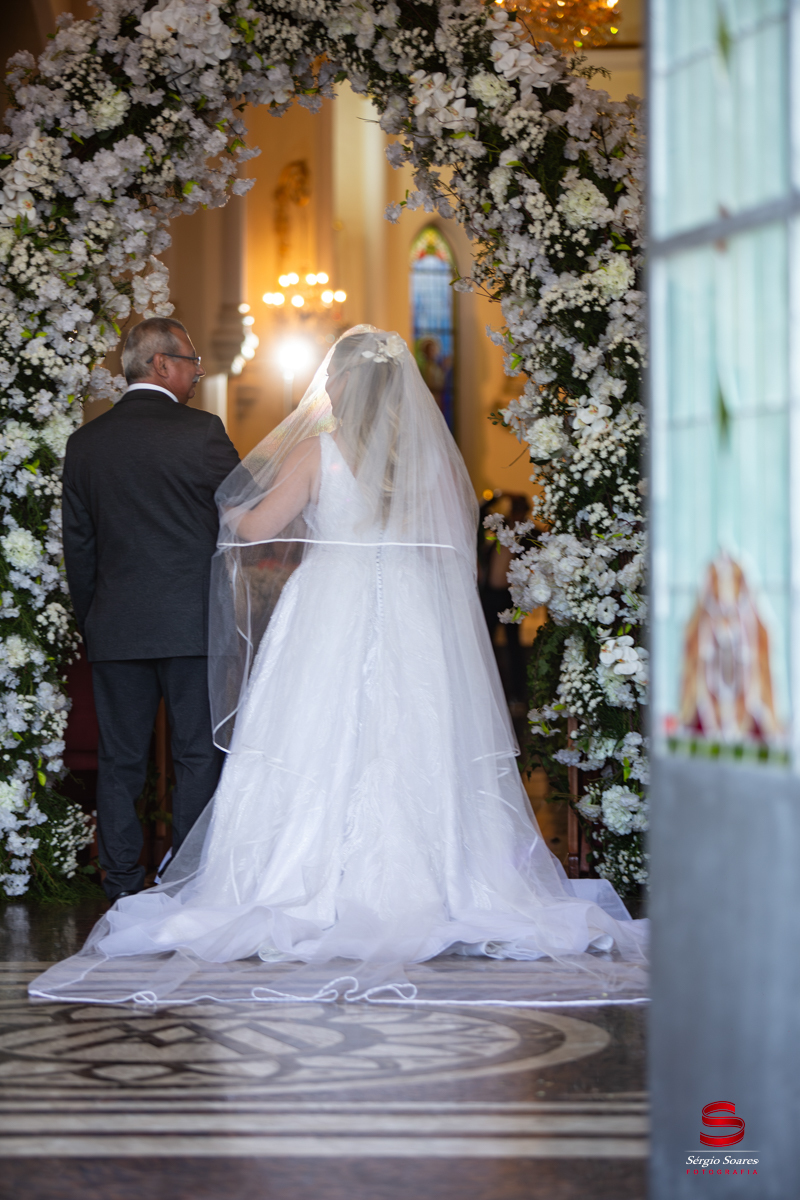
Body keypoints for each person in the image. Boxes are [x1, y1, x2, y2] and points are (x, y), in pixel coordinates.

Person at [31, 326, 646, 1007]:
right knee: (412, 735)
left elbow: (258, 527)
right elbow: (451, 541)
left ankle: (287, 880)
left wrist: (232, 508)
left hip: (330, 602)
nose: (324, 384)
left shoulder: (319, 450)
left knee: (313, 735)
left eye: (332, 375)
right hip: (414, 608)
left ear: (346, 384)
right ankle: (438, 882)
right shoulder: (427, 458)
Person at [60, 317, 240, 903]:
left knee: (120, 760)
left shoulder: (86, 443)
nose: (198, 372)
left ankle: (120, 885)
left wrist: (94, 620)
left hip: (116, 625)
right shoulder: (203, 433)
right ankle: (185, 885)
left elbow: (79, 547)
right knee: (196, 755)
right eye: (191, 360)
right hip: (194, 624)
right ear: (161, 364)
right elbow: (243, 518)